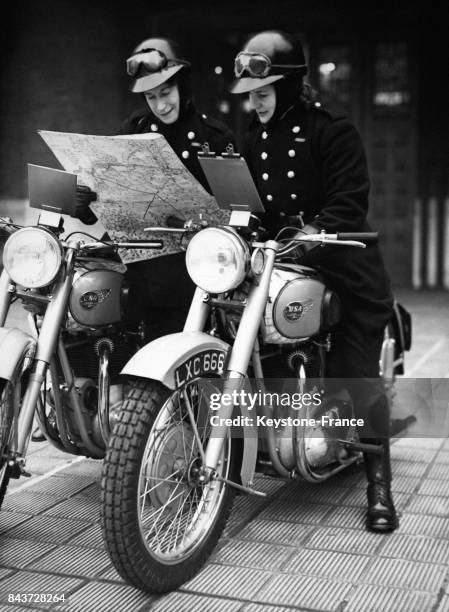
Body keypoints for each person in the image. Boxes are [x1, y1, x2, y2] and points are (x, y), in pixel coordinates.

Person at [230, 30, 398, 533]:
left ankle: (379, 485)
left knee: (357, 375)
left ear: (288, 85)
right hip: (279, 267)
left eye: (263, 94)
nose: (255, 104)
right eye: (250, 96)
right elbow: (249, 205)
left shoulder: (331, 131)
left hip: (343, 271)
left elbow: (348, 205)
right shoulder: (253, 138)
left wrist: (307, 235)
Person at [76, 37, 235, 339]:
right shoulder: (131, 130)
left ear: (182, 86)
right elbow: (108, 197)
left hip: (186, 269)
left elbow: (236, 211)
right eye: (150, 97)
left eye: (166, 92)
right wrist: (84, 201)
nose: (161, 105)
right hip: (134, 259)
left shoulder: (214, 137)